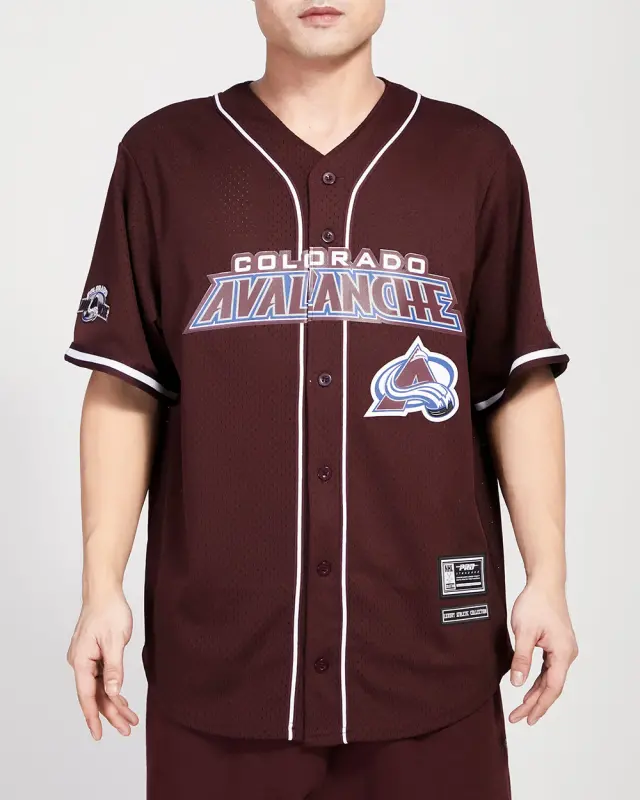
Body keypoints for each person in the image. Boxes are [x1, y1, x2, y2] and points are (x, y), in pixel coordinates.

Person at [64, 1, 578, 798]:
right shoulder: (164, 157)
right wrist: (102, 586)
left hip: (428, 658)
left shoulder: (471, 157)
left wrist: (548, 576)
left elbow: (515, 379)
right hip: (223, 669)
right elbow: (126, 384)